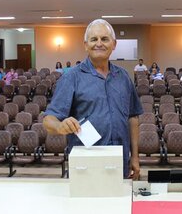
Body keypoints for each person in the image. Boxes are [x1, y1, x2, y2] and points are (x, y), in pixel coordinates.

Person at [43, 19, 143, 180]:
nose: (99, 44)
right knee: (85, 205)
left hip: (120, 161)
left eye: (104, 39)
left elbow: (133, 117)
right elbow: (48, 120)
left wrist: (135, 157)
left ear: (114, 44)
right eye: (93, 39)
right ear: (85, 45)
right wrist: (60, 126)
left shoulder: (123, 77)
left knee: (119, 204)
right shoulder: (71, 77)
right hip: (86, 163)